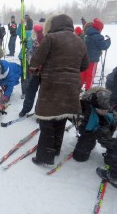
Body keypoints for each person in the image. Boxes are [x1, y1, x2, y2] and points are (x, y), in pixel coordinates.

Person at [29, 14, 89, 166]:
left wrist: (35, 68)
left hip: (52, 84)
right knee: (61, 117)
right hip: (72, 86)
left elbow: (36, 60)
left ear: (55, 25)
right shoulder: (79, 40)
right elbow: (85, 65)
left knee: (47, 119)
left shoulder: (51, 38)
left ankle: (45, 157)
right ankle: (55, 149)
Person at [73, 87, 117, 163]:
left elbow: (112, 126)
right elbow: (82, 125)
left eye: (105, 110)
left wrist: (106, 139)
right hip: (89, 130)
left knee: (105, 137)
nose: (103, 111)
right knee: (80, 157)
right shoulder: (86, 105)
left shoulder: (111, 114)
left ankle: (114, 157)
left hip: (102, 129)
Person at [19, 24, 44, 117]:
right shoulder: (35, 42)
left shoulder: (47, 41)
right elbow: (30, 52)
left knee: (43, 94)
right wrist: (30, 61)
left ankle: (40, 113)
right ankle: (26, 109)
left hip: (45, 72)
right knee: (30, 90)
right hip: (36, 72)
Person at [81, 18, 111, 91]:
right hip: (93, 60)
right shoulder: (98, 36)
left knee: (84, 73)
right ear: (99, 29)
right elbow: (104, 46)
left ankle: (78, 86)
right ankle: (88, 89)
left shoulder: (87, 34)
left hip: (86, 59)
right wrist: (108, 41)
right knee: (91, 75)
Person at [17, 15, 33, 99]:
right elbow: (18, 32)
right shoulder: (26, 33)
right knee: (27, 74)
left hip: (29, 57)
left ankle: (26, 91)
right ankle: (26, 91)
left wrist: (20, 25)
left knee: (25, 74)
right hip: (25, 56)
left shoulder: (29, 33)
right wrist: (21, 25)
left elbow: (18, 32)